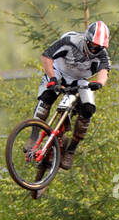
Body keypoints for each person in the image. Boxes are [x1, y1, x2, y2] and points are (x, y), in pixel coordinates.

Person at [32, 20, 111, 170]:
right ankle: (32, 137)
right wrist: (53, 79)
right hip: (59, 73)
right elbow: (46, 56)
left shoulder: (103, 55)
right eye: (93, 45)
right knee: (46, 98)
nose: (95, 49)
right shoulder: (70, 41)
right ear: (87, 39)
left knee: (88, 108)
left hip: (80, 81)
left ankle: (71, 149)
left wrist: (99, 83)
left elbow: (104, 71)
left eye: (99, 47)